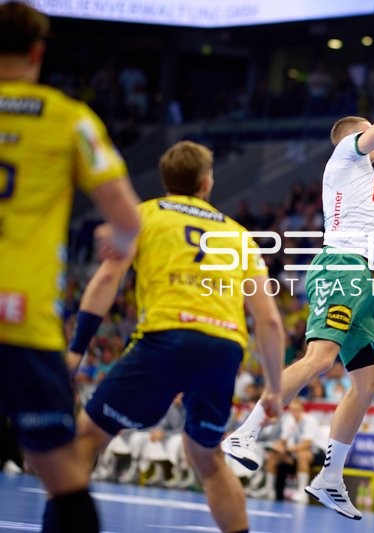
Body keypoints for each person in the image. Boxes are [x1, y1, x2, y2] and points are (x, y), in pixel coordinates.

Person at [222, 34, 374, 521]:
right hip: (339, 267)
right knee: (319, 359)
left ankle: (330, 477)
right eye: (369, 130)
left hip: (361, 279)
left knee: (369, 382)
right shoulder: (346, 157)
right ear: (357, 137)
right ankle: (245, 431)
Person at [66, 141, 284, 533]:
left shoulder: (142, 215)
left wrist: (77, 348)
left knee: (87, 436)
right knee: (207, 457)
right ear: (206, 183)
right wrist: (273, 388)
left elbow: (107, 279)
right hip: (223, 346)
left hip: (166, 336)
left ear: (167, 181)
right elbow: (268, 320)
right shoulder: (239, 235)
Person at [0, 3, 141, 531]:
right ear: (38, 52)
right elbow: (127, 218)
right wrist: (117, 238)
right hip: (22, 322)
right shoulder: (69, 119)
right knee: (63, 479)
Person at [264, 398, 327, 503]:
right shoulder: (289, 421)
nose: (294, 412)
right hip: (295, 452)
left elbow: (307, 444)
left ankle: (302, 493)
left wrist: (287, 450)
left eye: (297, 409)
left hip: (318, 452)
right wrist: (278, 447)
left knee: (302, 454)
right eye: (292, 409)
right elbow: (283, 440)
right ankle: (269, 490)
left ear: (302, 409)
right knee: (273, 456)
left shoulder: (310, 420)